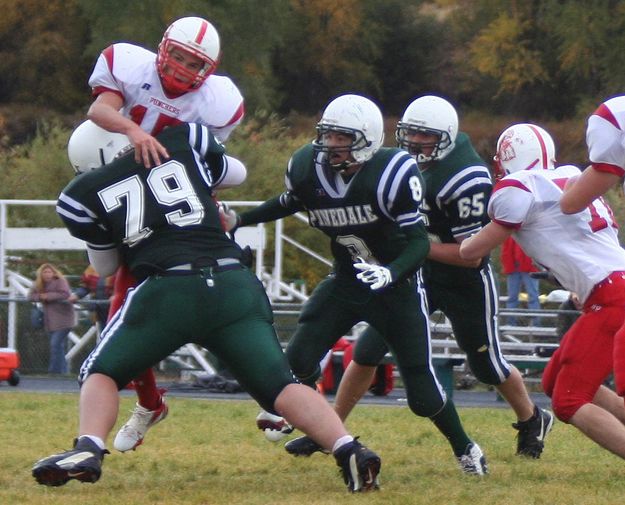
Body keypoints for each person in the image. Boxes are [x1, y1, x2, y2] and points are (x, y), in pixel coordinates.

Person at [32, 122, 381, 493]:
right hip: (234, 283)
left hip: (170, 288)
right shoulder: (181, 137)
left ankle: (88, 447)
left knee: (101, 371)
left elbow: (105, 266)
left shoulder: (79, 195)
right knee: (281, 385)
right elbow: (232, 172)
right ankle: (348, 448)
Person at [224, 94, 488, 475]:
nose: (329, 145)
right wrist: (242, 221)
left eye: (340, 138)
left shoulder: (392, 173)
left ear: (365, 139)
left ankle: (466, 448)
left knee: (422, 394)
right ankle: (313, 422)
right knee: (296, 360)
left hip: (395, 287)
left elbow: (417, 242)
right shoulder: (307, 166)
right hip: (348, 279)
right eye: (327, 136)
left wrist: (392, 273)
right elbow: (288, 201)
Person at [284, 97, 553, 461]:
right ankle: (329, 429)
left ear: (445, 136)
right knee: (366, 351)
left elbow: (470, 255)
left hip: (463, 281)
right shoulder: (394, 163)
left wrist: (414, 246)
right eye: (408, 133)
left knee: (486, 364)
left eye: (423, 135)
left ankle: (532, 418)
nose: (413, 142)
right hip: (415, 275)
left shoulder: (466, 176)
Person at [84, 15, 245, 452]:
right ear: (161, 47)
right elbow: (99, 110)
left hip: (177, 197)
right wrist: (134, 132)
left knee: (222, 300)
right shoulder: (130, 67)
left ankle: (274, 392)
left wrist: (210, 202)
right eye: (176, 55)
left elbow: (211, 162)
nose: (180, 69)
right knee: (121, 308)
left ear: (209, 70)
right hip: (128, 196)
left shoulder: (219, 102)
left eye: (194, 63)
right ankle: (150, 402)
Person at [460, 122, 625, 460]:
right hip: (608, 289)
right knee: (554, 381)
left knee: (567, 401)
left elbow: (473, 250)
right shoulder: (570, 176)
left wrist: (452, 246)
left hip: (612, 297)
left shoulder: (521, 187)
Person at [28, 263, 77, 374]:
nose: (47, 274)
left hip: (64, 320)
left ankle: (54, 371)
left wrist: (48, 296)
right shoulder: (39, 284)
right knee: (58, 347)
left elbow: (65, 294)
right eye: (44, 272)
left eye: (49, 272)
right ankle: (63, 372)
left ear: (54, 272)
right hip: (50, 321)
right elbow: (30, 296)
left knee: (55, 344)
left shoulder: (60, 281)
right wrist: (40, 296)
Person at [500, 236, 541, 326]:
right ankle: (511, 324)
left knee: (533, 296)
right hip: (513, 267)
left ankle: (535, 325)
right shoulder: (509, 231)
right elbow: (505, 250)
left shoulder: (529, 230)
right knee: (512, 297)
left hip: (529, 267)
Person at [69, 264, 115, 332]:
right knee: (103, 332)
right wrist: (76, 295)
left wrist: (117, 295)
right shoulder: (92, 268)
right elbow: (85, 287)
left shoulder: (119, 267)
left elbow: (127, 286)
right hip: (98, 309)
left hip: (116, 309)